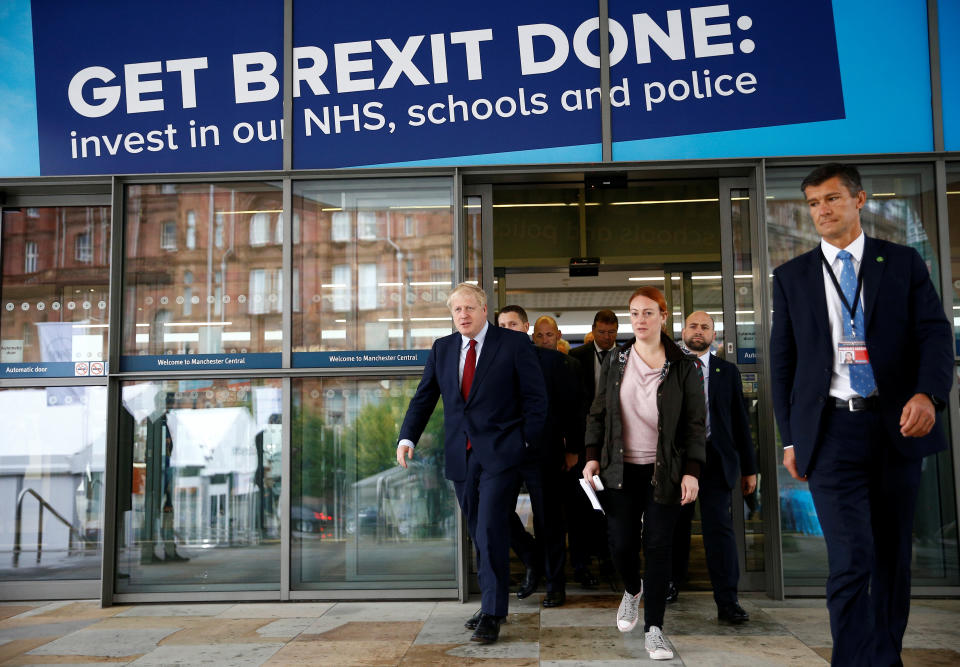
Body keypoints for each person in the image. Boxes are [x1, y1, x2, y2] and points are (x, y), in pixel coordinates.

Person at [770, 163, 953, 666]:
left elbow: (935, 335)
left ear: (859, 200)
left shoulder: (902, 262)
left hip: (896, 427)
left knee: (893, 559)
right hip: (832, 433)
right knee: (852, 558)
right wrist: (790, 439)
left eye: (831, 199)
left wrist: (928, 395)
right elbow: (782, 364)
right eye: (813, 203)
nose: (821, 211)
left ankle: (885, 658)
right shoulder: (791, 277)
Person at [397, 283, 548, 644]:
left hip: (501, 455)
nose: (462, 315)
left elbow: (536, 399)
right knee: (479, 532)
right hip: (460, 457)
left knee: (491, 529)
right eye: (456, 310)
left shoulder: (512, 344)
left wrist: (523, 443)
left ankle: (493, 612)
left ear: (484, 310)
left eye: (469, 308)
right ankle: (492, 600)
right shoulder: (443, 348)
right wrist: (407, 437)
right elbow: (424, 398)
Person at [583, 287, 705, 661]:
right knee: (620, 543)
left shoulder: (683, 365)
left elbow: (694, 424)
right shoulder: (617, 360)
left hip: (664, 470)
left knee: (657, 547)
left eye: (648, 313)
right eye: (634, 314)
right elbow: (598, 413)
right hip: (620, 469)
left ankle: (654, 629)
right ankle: (631, 589)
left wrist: (692, 471)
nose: (640, 320)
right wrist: (591, 456)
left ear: (663, 317)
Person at [670, 310, 756, 624]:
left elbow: (740, 422)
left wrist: (750, 468)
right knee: (675, 527)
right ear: (683, 331)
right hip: (678, 461)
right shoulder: (669, 367)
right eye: (693, 325)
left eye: (705, 327)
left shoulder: (727, 372)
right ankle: (670, 584)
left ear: (713, 335)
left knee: (718, 529)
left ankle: (727, 600)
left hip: (717, 460)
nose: (698, 331)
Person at [498, 305, 584, 608]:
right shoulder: (491, 362)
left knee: (549, 521)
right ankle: (532, 557)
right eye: (502, 325)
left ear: (525, 328)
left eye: (513, 324)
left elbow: (573, 408)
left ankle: (555, 584)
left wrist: (573, 449)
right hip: (504, 453)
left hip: (544, 452)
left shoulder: (554, 361)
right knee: (496, 512)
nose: (508, 329)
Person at [568, 309, 620, 587]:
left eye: (612, 332)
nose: (607, 337)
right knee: (581, 509)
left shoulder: (626, 356)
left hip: (614, 445)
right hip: (581, 442)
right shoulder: (576, 358)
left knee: (610, 507)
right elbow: (571, 405)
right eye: (602, 332)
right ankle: (581, 565)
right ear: (593, 330)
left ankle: (609, 562)